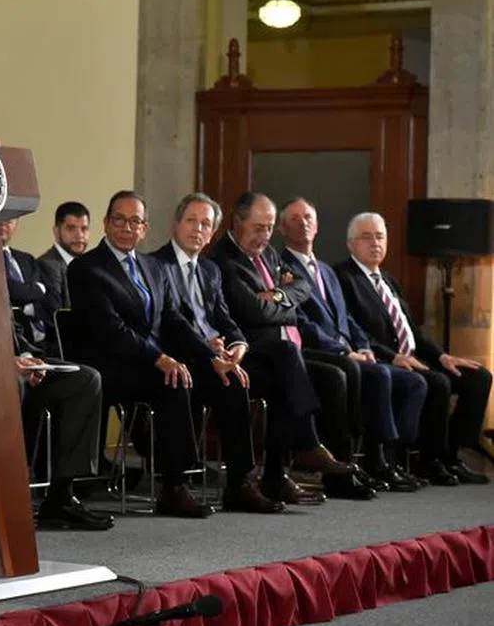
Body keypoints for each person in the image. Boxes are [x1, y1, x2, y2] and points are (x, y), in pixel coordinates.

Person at [67, 190, 237, 519]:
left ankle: (175, 483)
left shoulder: (152, 266)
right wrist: (160, 358)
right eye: (119, 219)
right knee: (169, 377)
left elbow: (173, 320)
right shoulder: (86, 268)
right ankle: (174, 483)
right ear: (106, 223)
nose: (126, 227)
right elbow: (110, 329)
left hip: (145, 363)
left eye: (135, 221)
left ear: (145, 228)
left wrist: (208, 356)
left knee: (179, 376)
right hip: (106, 365)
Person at [209, 192, 374, 501]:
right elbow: (254, 313)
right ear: (237, 222)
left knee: (334, 375)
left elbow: (303, 287)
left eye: (269, 228)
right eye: (257, 227)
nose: (264, 236)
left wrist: (279, 295)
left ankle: (329, 472)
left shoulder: (270, 254)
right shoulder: (223, 259)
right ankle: (303, 449)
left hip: (280, 353)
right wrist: (283, 296)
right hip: (248, 352)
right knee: (287, 361)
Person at [150, 193, 287, 513]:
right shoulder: (156, 265)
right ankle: (176, 486)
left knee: (237, 381)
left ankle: (240, 484)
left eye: (206, 224)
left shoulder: (211, 270)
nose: (198, 229)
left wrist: (238, 344)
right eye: (191, 221)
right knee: (194, 380)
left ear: (213, 232)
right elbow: (170, 322)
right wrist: (206, 350)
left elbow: (224, 318)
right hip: (179, 356)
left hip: (217, 356)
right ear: (175, 224)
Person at [278, 198, 426, 492]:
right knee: (376, 375)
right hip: (319, 353)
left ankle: (390, 459)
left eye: (308, 217)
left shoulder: (325, 269)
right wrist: (344, 350)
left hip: (351, 350)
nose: (303, 223)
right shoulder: (282, 267)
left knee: (412, 381)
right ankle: (369, 460)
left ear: (317, 226)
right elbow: (300, 321)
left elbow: (346, 317)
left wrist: (363, 346)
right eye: (295, 219)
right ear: (282, 228)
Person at [335, 212, 491, 484]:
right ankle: (428, 461)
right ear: (350, 244)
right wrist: (392, 356)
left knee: (478, 378)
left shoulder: (388, 279)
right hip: (382, 360)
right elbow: (352, 331)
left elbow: (412, 330)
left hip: (413, 356)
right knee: (438, 383)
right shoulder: (343, 278)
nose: (375, 243)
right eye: (367, 237)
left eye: (380, 237)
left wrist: (442, 355)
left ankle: (452, 456)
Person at [12, 318, 111, 531]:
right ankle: (8, 498)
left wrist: (29, 358)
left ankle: (61, 497)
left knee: (85, 378)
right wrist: (7, 361)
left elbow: (12, 330)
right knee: (13, 384)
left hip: (17, 364)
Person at [0, 217, 61, 358]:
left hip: (47, 342)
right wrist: (34, 292)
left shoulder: (27, 260)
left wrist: (22, 302)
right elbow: (6, 292)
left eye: (9, 218)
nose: (2, 223)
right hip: (11, 348)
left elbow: (51, 300)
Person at [38, 201, 91, 309]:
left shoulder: (92, 265)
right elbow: (56, 314)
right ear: (56, 231)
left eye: (84, 229)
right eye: (71, 228)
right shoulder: (47, 265)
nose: (79, 235)